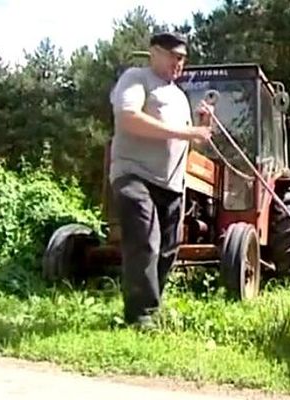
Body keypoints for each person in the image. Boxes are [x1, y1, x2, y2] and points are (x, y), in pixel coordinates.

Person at [108, 31, 212, 329]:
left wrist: (201, 127)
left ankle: (150, 308)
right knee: (144, 239)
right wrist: (187, 133)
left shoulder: (179, 97)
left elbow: (187, 142)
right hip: (134, 174)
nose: (180, 64)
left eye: (183, 59)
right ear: (155, 52)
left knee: (167, 250)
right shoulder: (136, 78)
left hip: (171, 185)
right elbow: (128, 118)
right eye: (175, 57)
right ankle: (141, 319)